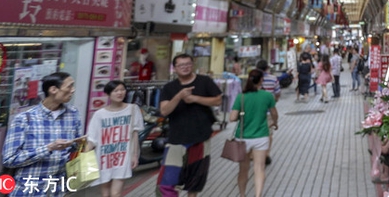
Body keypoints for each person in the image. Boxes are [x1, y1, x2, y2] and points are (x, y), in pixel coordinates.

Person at [2, 71, 83, 197]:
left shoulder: (73, 114)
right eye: (69, 86)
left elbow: (74, 149)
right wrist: (48, 148)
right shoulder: (24, 119)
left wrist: (81, 144)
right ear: (53, 90)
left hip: (57, 190)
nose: (73, 90)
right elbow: (9, 159)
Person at [157, 53, 222, 197]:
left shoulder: (204, 81)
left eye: (188, 64)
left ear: (193, 65)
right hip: (176, 139)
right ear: (175, 68)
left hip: (200, 137)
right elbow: (164, 110)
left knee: (195, 180)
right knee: (167, 182)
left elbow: (217, 100)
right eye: (181, 65)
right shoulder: (169, 88)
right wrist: (179, 96)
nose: (185, 67)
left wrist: (194, 98)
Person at [86, 80, 143, 197]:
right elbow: (92, 139)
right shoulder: (99, 114)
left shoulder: (133, 109)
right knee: (105, 193)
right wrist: (84, 159)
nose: (120, 93)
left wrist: (134, 156)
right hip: (103, 158)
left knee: (116, 193)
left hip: (123, 156)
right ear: (108, 94)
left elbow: (135, 135)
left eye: (122, 90)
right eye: (116, 91)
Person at [229, 69, 277, 197]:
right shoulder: (267, 96)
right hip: (261, 137)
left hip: (242, 138)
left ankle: (243, 195)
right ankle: (258, 195)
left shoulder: (241, 97)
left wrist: (242, 114)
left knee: (243, 170)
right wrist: (275, 123)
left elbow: (232, 118)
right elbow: (274, 113)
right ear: (261, 80)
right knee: (259, 168)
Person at [254, 60, 279, 165]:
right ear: (267, 68)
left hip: (255, 111)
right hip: (269, 110)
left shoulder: (253, 79)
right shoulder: (273, 79)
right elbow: (277, 93)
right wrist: (273, 101)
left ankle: (254, 154)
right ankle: (266, 154)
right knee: (268, 132)